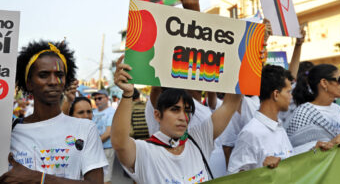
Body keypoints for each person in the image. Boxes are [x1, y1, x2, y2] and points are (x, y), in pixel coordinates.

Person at [112, 55, 242, 184]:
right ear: (157, 115)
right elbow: (119, 143)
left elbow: (230, 103)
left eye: (187, 110)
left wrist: (249, 59)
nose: (182, 117)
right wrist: (127, 94)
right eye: (175, 109)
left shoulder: (198, 139)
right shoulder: (145, 151)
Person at [0, 40, 107, 183]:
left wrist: (39, 179)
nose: (53, 81)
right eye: (43, 75)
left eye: (59, 75)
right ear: (29, 83)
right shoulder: (10, 133)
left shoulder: (85, 129)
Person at [227, 65, 295, 173]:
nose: (291, 96)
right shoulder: (251, 133)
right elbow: (234, 178)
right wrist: (262, 170)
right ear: (276, 94)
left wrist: (313, 150)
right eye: (288, 92)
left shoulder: (279, 126)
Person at [287, 64, 340, 152]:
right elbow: (295, 154)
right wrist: (332, 143)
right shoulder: (304, 113)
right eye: (339, 80)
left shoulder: (338, 108)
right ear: (324, 83)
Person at [91, 89, 115, 184]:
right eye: (95, 99)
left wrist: (92, 143)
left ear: (107, 98)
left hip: (106, 149)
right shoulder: (93, 111)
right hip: (93, 149)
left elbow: (108, 133)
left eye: (99, 98)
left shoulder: (111, 112)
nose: (97, 101)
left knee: (106, 180)